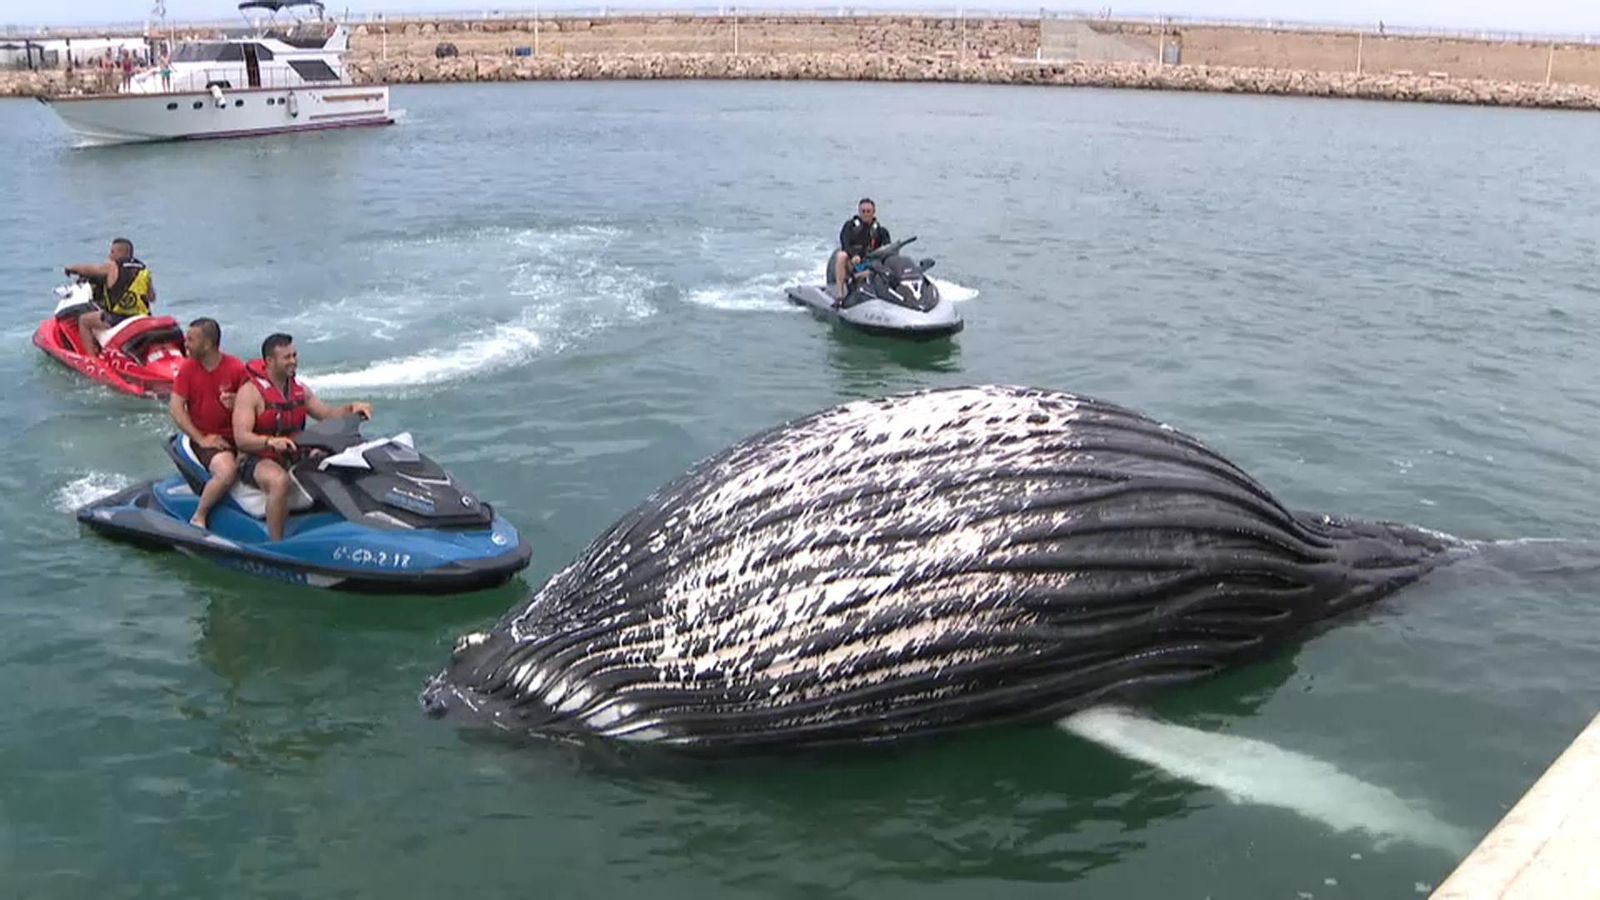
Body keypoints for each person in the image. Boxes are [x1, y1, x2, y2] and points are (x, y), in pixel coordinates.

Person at [232, 333, 374, 542]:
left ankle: (353, 525)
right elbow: (241, 438)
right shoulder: (250, 393)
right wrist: (270, 442)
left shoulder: (299, 390)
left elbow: (327, 415)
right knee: (279, 481)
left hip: (292, 453)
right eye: (287, 357)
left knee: (338, 463)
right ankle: (276, 543)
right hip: (256, 457)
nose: (293, 361)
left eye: (294, 355)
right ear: (270, 361)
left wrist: (352, 408)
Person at [169, 317, 248, 530]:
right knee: (227, 472)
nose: (185, 343)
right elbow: (176, 408)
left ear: (208, 344)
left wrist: (237, 405)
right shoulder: (187, 369)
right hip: (207, 438)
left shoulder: (237, 368)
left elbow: (252, 405)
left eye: (191, 340)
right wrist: (201, 439)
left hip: (239, 437)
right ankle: (199, 516)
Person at [63, 237, 155, 357]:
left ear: (121, 252)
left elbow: (91, 270)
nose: (109, 256)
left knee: (84, 320)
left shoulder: (112, 266)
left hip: (119, 318)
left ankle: (92, 360)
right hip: (142, 317)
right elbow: (152, 297)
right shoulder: (143, 269)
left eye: (112, 252)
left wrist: (72, 269)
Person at [831, 197, 891, 302]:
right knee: (841, 255)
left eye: (868, 211)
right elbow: (845, 243)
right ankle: (840, 295)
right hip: (853, 264)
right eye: (863, 211)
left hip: (872, 267)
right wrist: (853, 255)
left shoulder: (881, 231)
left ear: (874, 212)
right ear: (859, 212)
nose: (866, 214)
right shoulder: (850, 227)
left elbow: (888, 249)